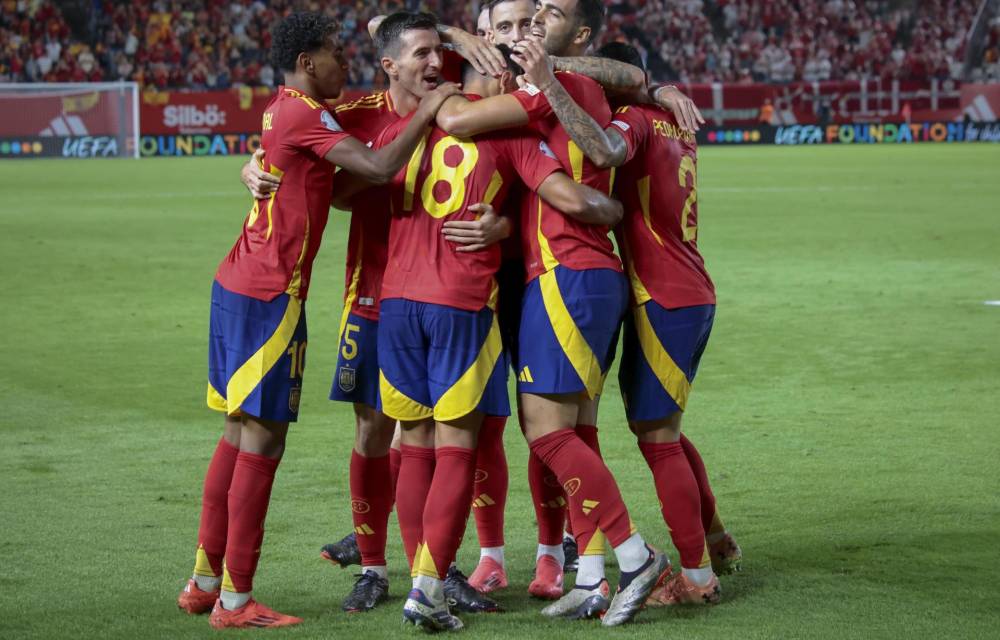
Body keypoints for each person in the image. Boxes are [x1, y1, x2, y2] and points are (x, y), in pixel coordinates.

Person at [176, 11, 458, 629]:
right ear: (308, 62)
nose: (344, 62)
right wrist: (429, 109)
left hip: (241, 283)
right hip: (270, 294)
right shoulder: (309, 111)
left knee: (235, 432)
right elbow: (380, 169)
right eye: (335, 53)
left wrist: (255, 162)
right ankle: (234, 600)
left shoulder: (286, 108)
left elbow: (312, 168)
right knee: (262, 442)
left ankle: (203, 581)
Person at [335, 30, 624, 631]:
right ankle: (427, 587)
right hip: (461, 307)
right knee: (458, 449)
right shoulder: (509, 133)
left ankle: (422, 577)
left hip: (395, 307)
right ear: (485, 77)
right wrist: (612, 211)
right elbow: (565, 195)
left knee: (410, 448)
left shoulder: (396, 132)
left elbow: (346, 188)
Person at [241, 11, 509, 615]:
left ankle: (436, 570)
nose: (435, 63)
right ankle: (372, 566)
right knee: (373, 432)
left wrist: (504, 222)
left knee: (454, 437)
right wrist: (254, 166)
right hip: (373, 292)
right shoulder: (359, 111)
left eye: (440, 53)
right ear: (392, 64)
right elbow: (296, 154)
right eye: (423, 53)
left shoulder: (464, 106)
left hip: (450, 294)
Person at [431, 0, 670, 626]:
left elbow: (458, 119)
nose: (527, 31)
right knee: (577, 428)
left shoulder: (553, 88)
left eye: (540, 19)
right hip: (575, 275)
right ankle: (590, 578)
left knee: (545, 430)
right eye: (515, 24)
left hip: (566, 274)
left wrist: (448, 88)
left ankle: (635, 555)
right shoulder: (570, 84)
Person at [515, 39, 743, 606]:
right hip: (687, 288)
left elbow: (605, 150)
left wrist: (551, 84)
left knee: (659, 440)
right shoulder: (672, 120)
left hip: (660, 292)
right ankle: (715, 539)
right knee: (663, 430)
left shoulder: (635, 120)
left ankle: (693, 578)